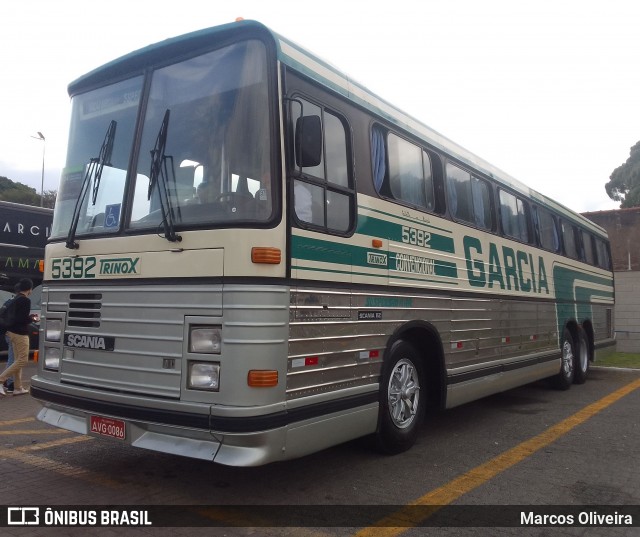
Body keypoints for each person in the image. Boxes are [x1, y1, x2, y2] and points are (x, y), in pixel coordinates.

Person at [0, 278, 34, 397]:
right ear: (29, 289)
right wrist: (32, 318)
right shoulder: (25, 300)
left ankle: (18, 388)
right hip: (20, 333)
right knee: (23, 360)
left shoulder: (14, 298)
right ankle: (1, 380)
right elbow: (21, 319)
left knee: (17, 359)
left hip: (10, 332)